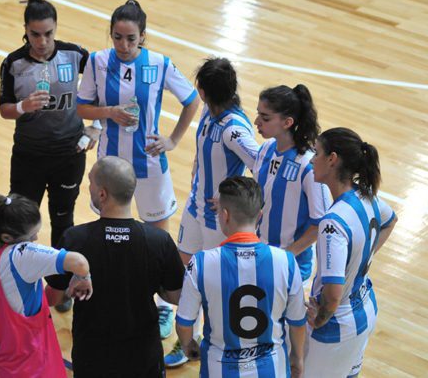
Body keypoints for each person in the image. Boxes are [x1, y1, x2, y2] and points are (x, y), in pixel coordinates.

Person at [45, 156, 184, 377]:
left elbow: (53, 298)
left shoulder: (75, 239)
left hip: (92, 357)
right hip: (143, 356)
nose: (88, 185)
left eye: (91, 181)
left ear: (102, 194)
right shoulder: (159, 241)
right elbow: (176, 297)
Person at [165, 57, 259, 366]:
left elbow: (260, 167)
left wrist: (231, 200)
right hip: (195, 209)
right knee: (186, 276)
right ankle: (188, 332)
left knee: (212, 284)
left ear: (202, 91)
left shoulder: (234, 130)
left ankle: (206, 340)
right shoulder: (209, 113)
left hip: (219, 222)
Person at [77, 0, 200, 233]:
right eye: (117, 37)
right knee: (110, 232)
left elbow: (192, 100)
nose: (123, 45)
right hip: (110, 163)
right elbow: (81, 108)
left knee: (158, 235)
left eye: (131, 38)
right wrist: (110, 112)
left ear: (142, 36)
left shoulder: (159, 63)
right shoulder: (96, 61)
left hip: (149, 162)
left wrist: (172, 140)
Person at [175, 176, 307, 378]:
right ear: (260, 215)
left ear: (225, 215)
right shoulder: (286, 262)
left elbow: (184, 324)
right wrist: (297, 359)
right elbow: (297, 323)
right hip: (272, 369)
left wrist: (189, 347)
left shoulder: (201, 263)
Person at [0, 194, 92, 378]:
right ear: (7, 237)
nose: (36, 238)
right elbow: (80, 263)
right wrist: (83, 278)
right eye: (31, 235)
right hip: (36, 365)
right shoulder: (21, 256)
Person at [0, 0, 92, 249]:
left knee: (63, 221)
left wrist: (97, 128)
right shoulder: (13, 63)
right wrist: (23, 107)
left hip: (69, 155)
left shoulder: (75, 55)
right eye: (34, 34)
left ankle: (59, 285)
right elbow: (4, 110)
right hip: (29, 157)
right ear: (26, 30)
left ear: (56, 28)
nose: (41, 42)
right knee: (19, 223)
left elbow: (105, 86)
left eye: (48, 34)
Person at [304, 128, 397, 378]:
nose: (312, 160)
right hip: (365, 307)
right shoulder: (367, 196)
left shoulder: (332, 223)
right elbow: (390, 220)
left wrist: (320, 319)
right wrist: (361, 260)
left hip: (337, 327)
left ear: (332, 159)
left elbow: (332, 297)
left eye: (317, 153)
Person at [252, 85, 331, 282]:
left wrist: (288, 254)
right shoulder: (266, 149)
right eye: (258, 114)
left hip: (291, 268)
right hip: (260, 256)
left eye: (265, 118)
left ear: (287, 122)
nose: (256, 122)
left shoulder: (308, 165)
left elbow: (321, 222)